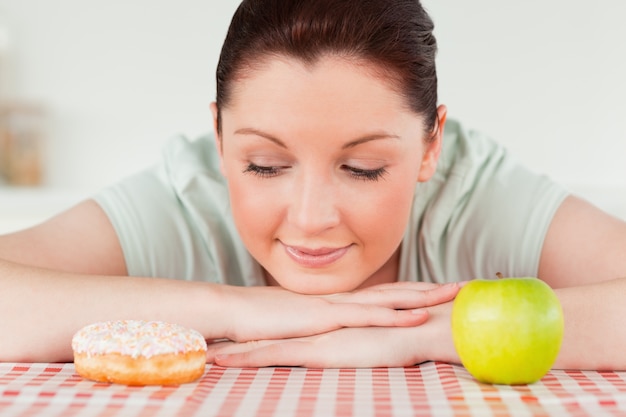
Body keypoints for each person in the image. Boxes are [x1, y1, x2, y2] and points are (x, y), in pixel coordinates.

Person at [1, 0, 625, 370]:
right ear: (219, 138)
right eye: (266, 166)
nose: (310, 217)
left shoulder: (475, 193)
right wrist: (247, 312)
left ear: (432, 145)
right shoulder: (186, 197)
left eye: (363, 169)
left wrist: (417, 338)